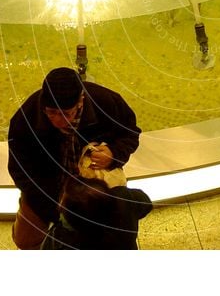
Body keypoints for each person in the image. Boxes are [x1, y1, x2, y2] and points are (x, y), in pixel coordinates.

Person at [8, 67, 141, 249]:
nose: (59, 121)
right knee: (24, 240)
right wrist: (55, 208)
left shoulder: (106, 102)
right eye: (52, 113)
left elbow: (130, 133)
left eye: (66, 113)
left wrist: (113, 153)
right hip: (46, 189)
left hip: (93, 187)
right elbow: (19, 170)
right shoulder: (26, 118)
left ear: (81, 100)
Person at [40, 176, 153, 249]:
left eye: (62, 203)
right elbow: (146, 203)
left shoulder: (62, 240)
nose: (59, 205)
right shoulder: (125, 198)